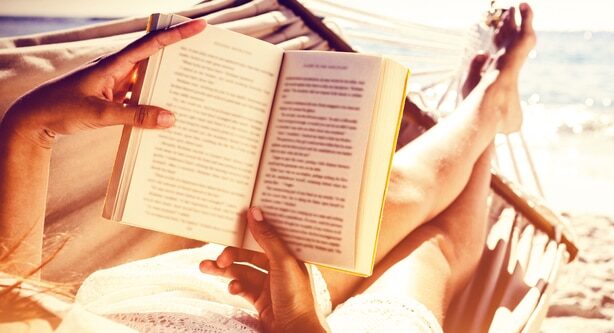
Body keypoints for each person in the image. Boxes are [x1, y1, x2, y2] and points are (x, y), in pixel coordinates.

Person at [0, 3, 536, 332]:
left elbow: (16, 308)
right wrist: (301, 323)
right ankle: (489, 105)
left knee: (382, 199)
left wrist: (31, 126)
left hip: (185, 304)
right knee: (433, 251)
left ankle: (488, 105)